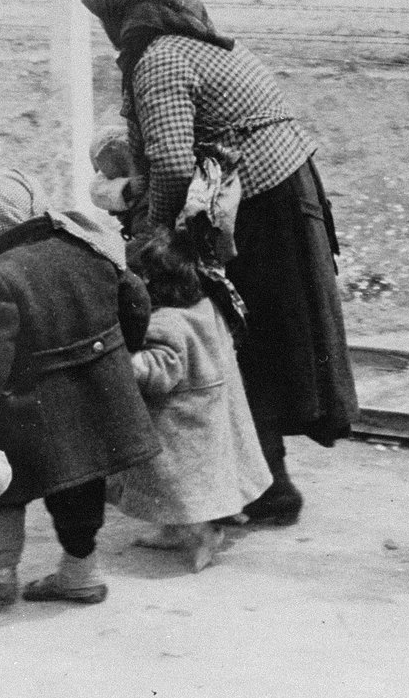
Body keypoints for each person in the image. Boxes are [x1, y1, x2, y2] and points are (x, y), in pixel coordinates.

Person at [81, 0, 358, 526]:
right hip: (281, 199)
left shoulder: (160, 58)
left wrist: (152, 237)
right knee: (261, 345)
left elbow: (171, 164)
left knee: (237, 342)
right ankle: (265, 484)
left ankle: (262, 488)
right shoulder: (206, 45)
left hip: (256, 212)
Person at [0, 169, 161, 608]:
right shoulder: (86, 243)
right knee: (81, 484)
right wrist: (118, 356)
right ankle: (81, 574)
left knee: (0, 483)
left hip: (26, 404)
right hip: (94, 393)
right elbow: (136, 298)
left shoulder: (1, 275)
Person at [109, 227, 272, 572]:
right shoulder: (204, 305)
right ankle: (172, 530)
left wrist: (124, 361)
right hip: (208, 409)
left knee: (183, 487)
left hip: (182, 423)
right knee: (179, 488)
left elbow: (159, 371)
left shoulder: (164, 324)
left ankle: (206, 534)